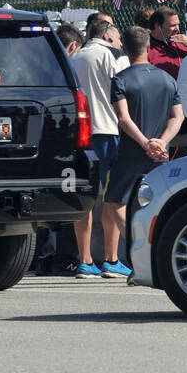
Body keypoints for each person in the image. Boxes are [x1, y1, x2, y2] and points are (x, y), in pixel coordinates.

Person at [98, 26, 184, 277]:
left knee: (114, 202)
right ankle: (162, 251)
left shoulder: (121, 79)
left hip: (131, 152)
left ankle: (142, 247)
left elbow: (123, 119)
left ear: (124, 47)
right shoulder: (167, 79)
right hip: (160, 154)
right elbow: (178, 117)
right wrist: (162, 142)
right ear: (148, 47)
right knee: (158, 202)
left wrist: (145, 143)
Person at [69, 16, 130, 279]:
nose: (119, 44)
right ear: (107, 37)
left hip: (80, 136)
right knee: (112, 197)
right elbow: (124, 91)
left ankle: (85, 260)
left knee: (83, 198)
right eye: (117, 39)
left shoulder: (74, 58)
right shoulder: (110, 57)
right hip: (107, 132)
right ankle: (111, 258)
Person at [148, 7, 187, 79]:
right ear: (158, 26)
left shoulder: (184, 44)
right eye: (173, 25)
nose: (177, 29)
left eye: (178, 25)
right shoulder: (146, 48)